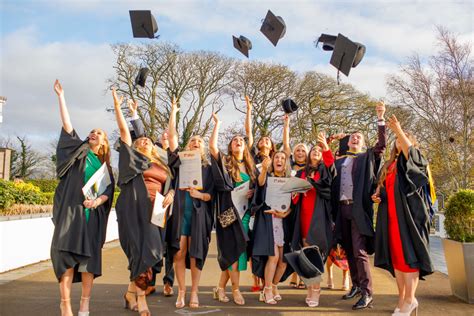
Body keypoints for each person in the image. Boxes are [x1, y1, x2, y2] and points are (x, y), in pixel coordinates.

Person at [50, 80, 114, 316]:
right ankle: (65, 303)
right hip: (72, 213)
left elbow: (108, 193)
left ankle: (85, 303)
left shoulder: (105, 167)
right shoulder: (79, 153)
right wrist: (61, 97)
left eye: (99, 133)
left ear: (104, 143)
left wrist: (97, 202)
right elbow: (67, 127)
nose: (93, 133)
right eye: (92, 131)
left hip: (92, 217)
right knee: (66, 257)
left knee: (88, 261)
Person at [112, 88, 175, 316]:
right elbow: (123, 130)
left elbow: (171, 183)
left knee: (151, 252)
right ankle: (141, 300)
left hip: (157, 209)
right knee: (140, 253)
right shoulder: (131, 159)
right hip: (133, 208)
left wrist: (173, 194)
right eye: (142, 140)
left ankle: (131, 292)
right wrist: (120, 108)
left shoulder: (162, 164)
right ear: (136, 146)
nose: (146, 141)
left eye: (149, 140)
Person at [373, 115, 434, 316]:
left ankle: (410, 299)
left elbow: (413, 156)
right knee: (397, 259)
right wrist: (378, 195)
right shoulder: (390, 165)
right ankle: (402, 299)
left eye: (403, 139)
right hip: (391, 218)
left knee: (409, 258)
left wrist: (398, 130)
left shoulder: (412, 160)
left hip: (409, 218)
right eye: (397, 139)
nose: (399, 141)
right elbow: (387, 190)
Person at [332, 101, 386, 310]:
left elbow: (381, 146)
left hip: (358, 210)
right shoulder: (339, 162)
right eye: (352, 136)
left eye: (359, 137)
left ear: (363, 143)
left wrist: (380, 117)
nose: (355, 138)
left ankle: (367, 293)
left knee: (360, 252)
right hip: (341, 209)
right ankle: (355, 285)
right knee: (347, 250)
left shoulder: (367, 157)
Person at [165, 98, 214, 309]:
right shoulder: (181, 161)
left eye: (200, 142)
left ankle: (194, 292)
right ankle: (181, 292)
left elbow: (212, 195)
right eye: (193, 140)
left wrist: (199, 195)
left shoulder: (209, 168)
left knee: (195, 253)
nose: (196, 143)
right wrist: (174, 112)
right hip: (179, 212)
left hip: (198, 213)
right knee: (179, 252)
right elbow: (172, 137)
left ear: (204, 148)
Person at [209, 112, 256, 306]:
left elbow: (249, 134)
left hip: (244, 215)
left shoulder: (250, 165)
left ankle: (220, 288)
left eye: (241, 140)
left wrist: (252, 192)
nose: (238, 141)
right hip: (227, 214)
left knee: (236, 253)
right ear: (230, 146)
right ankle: (236, 290)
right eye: (234, 140)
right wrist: (218, 124)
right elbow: (212, 147)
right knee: (232, 252)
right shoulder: (226, 162)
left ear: (245, 146)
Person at [129, 100, 174, 297]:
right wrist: (134, 114)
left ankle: (162, 281)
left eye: (168, 135)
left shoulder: (165, 160)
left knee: (159, 244)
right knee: (145, 244)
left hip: (160, 206)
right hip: (139, 204)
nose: (164, 137)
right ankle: (143, 284)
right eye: (162, 135)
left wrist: (172, 193)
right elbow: (140, 138)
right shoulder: (139, 157)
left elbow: (173, 180)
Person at [289, 132, 336, 307]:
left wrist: (325, 146)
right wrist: (294, 193)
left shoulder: (325, 170)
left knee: (315, 253)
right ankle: (311, 288)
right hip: (303, 216)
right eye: (314, 150)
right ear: (309, 155)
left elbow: (331, 165)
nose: (316, 151)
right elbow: (295, 197)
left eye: (319, 150)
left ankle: (316, 290)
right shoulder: (302, 172)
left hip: (319, 216)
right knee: (306, 254)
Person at [251, 152, 292, 304]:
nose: (279, 160)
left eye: (282, 158)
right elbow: (260, 185)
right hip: (268, 221)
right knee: (273, 257)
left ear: (286, 163)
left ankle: (274, 286)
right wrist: (264, 169)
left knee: (283, 261)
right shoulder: (266, 177)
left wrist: (285, 213)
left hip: (282, 222)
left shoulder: (289, 181)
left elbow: (292, 205)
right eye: (277, 158)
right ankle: (266, 289)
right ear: (272, 161)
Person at [282, 114, 308, 289]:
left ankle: (303, 275)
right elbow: (285, 146)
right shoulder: (289, 167)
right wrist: (286, 125)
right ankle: (293, 274)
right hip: (288, 209)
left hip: (304, 209)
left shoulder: (311, 169)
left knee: (303, 243)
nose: (299, 152)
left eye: (303, 150)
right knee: (290, 242)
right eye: (297, 150)